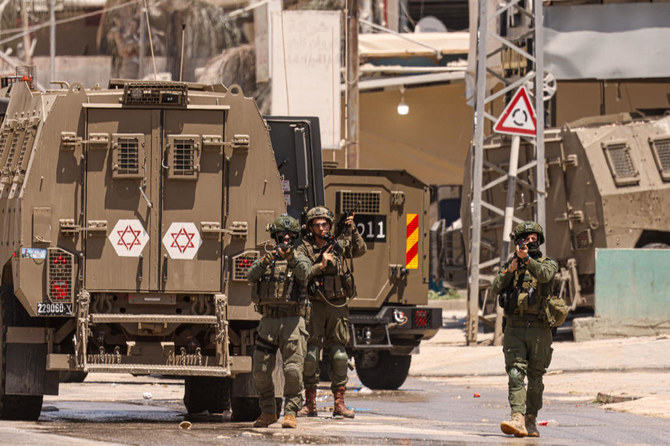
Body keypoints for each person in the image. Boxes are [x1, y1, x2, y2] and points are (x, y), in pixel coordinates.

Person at [296, 206, 366, 418]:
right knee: (310, 355)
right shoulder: (304, 249)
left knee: (339, 355)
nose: (321, 227)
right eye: (316, 224)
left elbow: (360, 250)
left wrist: (352, 229)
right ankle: (310, 402)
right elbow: (301, 272)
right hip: (315, 306)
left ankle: (340, 403)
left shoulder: (338, 245)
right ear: (310, 227)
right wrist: (320, 265)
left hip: (337, 306)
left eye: (324, 223)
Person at [492, 221, 559, 438]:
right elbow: (495, 287)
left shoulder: (547, 262)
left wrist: (527, 260)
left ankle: (531, 420)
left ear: (539, 241)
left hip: (540, 329)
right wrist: (510, 269)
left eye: (533, 238)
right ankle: (517, 418)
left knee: (536, 378)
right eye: (525, 239)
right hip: (515, 328)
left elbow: (545, 275)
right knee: (515, 373)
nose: (530, 242)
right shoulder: (511, 265)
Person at [246, 215, 311, 429]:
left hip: (293, 321)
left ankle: (291, 412)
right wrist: (268, 259)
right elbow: (250, 274)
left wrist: (291, 256)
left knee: (293, 370)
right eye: (281, 236)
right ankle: (267, 412)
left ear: (294, 238)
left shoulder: (300, 257)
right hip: (269, 321)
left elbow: (304, 272)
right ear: (275, 237)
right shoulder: (268, 258)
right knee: (261, 370)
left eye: (289, 236)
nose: (285, 239)